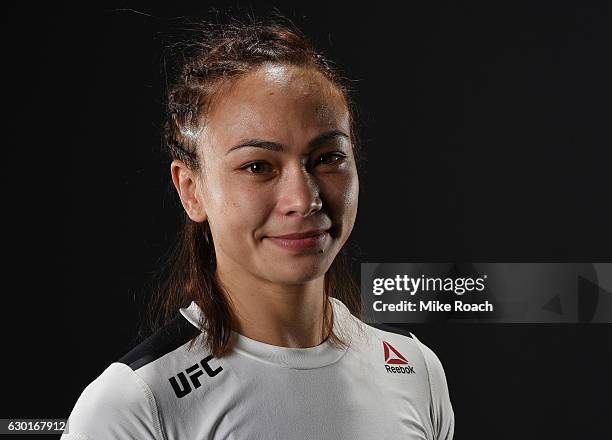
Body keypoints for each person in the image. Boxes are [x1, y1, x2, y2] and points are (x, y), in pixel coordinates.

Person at [62, 17, 454, 440]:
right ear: (191, 190)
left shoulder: (414, 370)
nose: (304, 199)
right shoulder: (135, 404)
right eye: (257, 166)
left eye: (326, 157)